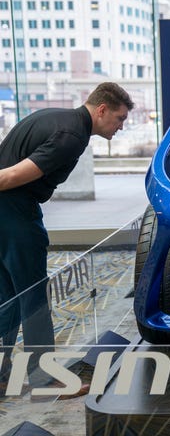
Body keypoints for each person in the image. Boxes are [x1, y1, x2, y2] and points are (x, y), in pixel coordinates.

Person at [0, 82, 134, 391]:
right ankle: (43, 379)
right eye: (120, 118)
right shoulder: (72, 136)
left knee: (7, 297)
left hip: (8, 212)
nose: (121, 127)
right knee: (33, 296)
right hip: (14, 212)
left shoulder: (53, 117)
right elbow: (8, 177)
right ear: (101, 110)